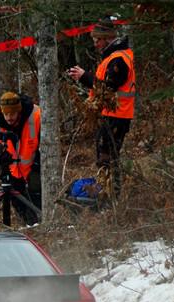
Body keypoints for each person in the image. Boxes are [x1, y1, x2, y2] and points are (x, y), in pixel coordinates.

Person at [67, 18, 135, 202]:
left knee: (108, 159)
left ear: (106, 38)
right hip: (112, 115)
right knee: (106, 158)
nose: (95, 44)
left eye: (97, 40)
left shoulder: (119, 60)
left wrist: (84, 77)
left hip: (117, 117)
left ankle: (110, 200)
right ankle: (108, 197)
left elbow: (107, 89)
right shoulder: (113, 57)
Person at [0, 91, 41, 226]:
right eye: (6, 114)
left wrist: (37, 164)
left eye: (12, 114)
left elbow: (44, 142)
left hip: (34, 166)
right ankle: (28, 225)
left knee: (37, 196)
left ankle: (41, 223)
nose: (8, 117)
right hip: (12, 170)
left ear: (18, 111)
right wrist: (0, 158)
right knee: (16, 199)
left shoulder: (35, 115)